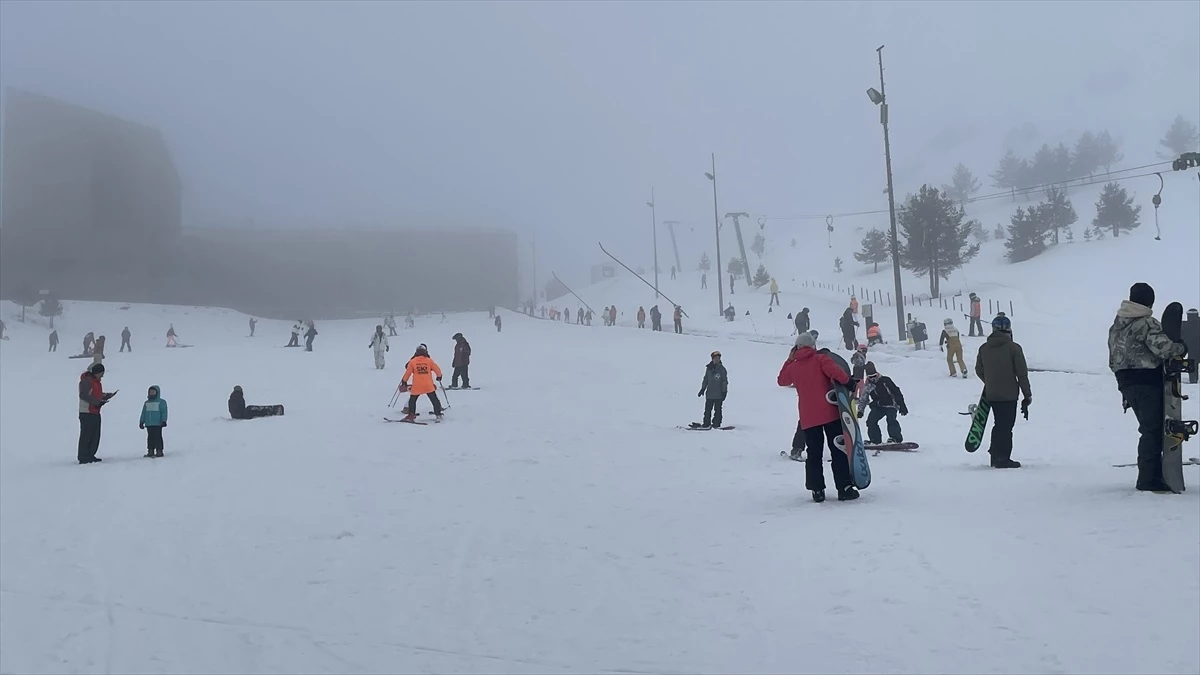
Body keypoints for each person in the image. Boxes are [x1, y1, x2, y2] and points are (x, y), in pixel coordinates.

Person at [1108, 282, 1188, 491]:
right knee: (1153, 431)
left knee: (1148, 429)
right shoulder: (1145, 323)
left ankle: (1151, 475)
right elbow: (1164, 349)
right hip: (1147, 381)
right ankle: (1148, 479)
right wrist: (1181, 347)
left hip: (1125, 382)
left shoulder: (1117, 325)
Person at [777, 332, 858, 502]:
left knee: (814, 454)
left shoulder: (793, 367)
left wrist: (790, 360)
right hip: (830, 413)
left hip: (808, 418)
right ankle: (844, 488)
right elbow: (837, 373)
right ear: (813, 346)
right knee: (837, 450)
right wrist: (850, 383)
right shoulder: (821, 359)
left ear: (796, 348)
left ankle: (817, 490)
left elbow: (782, 380)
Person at [975, 314, 1032, 469]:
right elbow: (1021, 374)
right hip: (1009, 394)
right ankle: (1003, 458)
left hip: (991, 394)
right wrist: (1027, 395)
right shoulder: (1013, 348)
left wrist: (991, 382)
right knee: (1006, 427)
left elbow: (978, 369)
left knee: (998, 424)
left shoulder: (984, 348)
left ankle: (994, 456)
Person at [78, 362, 115, 464]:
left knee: (95, 435)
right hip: (87, 412)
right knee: (86, 435)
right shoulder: (86, 381)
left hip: (95, 411)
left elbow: (95, 394)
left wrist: (105, 396)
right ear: (97, 372)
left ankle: (90, 455)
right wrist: (97, 402)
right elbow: (84, 395)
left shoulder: (96, 382)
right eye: (101, 373)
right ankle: (83, 456)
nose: (102, 375)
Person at [861, 362, 907, 444]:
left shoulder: (885, 381)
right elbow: (864, 399)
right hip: (878, 406)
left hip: (891, 404)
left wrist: (902, 406)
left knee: (891, 419)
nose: (872, 378)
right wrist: (860, 411)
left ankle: (895, 438)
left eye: (874, 376)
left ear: (877, 373)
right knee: (871, 421)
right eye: (870, 377)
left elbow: (897, 392)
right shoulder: (868, 385)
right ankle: (875, 440)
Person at [401, 344, 444, 421]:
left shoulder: (412, 361)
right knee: (434, 399)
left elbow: (408, 373)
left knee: (412, 400)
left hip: (417, 385)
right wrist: (439, 376)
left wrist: (404, 381)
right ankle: (438, 414)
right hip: (428, 385)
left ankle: (411, 415)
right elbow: (437, 369)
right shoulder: (429, 360)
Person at [697, 350, 728, 428]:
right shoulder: (709, 368)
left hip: (719, 394)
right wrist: (703, 389)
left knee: (718, 410)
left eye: (718, 358)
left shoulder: (722, 369)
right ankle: (706, 423)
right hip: (710, 394)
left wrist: (724, 391)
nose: (717, 360)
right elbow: (706, 379)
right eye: (715, 358)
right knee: (707, 410)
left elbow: (724, 381)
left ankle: (716, 424)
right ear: (712, 359)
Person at [138, 385, 168, 458]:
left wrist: (163, 420)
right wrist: (142, 421)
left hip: (158, 424)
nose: (151, 393)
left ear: (157, 393)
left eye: (153, 392)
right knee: (150, 437)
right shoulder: (146, 403)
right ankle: (150, 450)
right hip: (149, 424)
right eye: (150, 392)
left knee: (158, 437)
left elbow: (164, 412)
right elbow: (144, 413)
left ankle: (159, 450)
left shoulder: (161, 402)